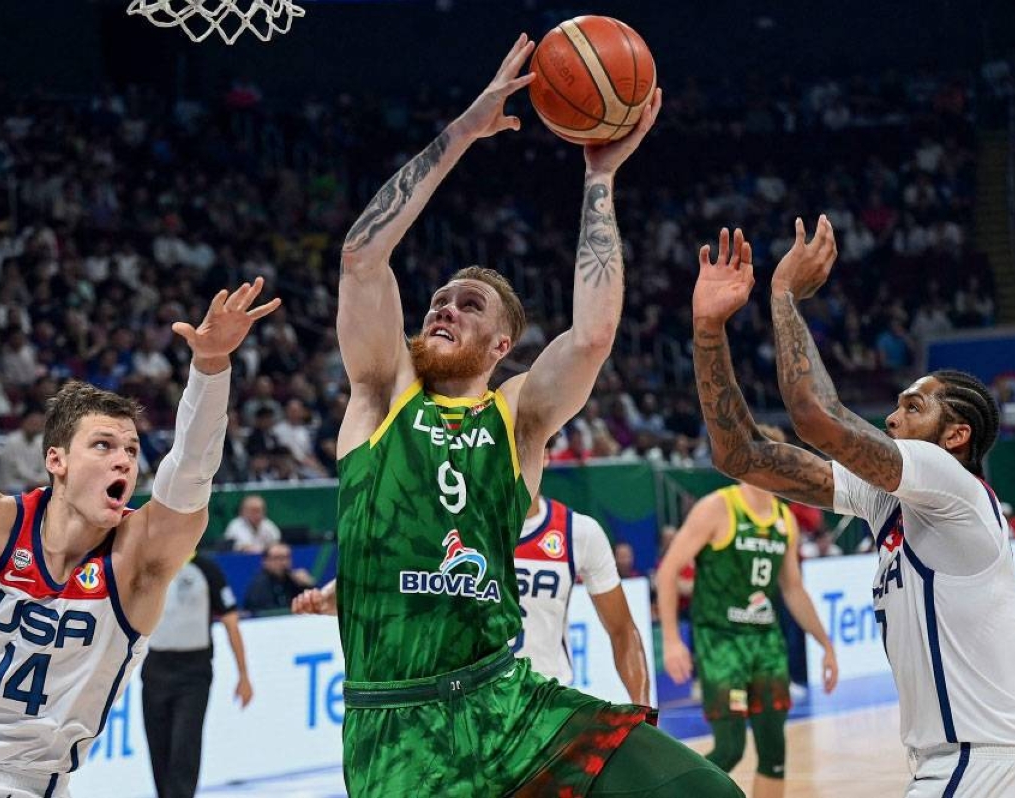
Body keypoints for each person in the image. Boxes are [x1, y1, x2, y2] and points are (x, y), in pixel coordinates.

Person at [294, 36, 737, 797]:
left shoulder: (519, 416)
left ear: (502, 344)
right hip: (397, 727)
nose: (444, 307)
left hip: (510, 702)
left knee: (704, 791)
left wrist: (600, 178)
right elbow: (363, 260)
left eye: (469, 305)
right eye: (439, 300)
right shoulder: (379, 396)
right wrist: (463, 131)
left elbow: (593, 336)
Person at [0, 280, 278, 797]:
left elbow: (192, 469)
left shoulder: (138, 556)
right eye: (103, 445)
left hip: (12, 782)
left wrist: (210, 368)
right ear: (56, 460)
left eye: (131, 450)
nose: (123, 460)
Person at [690, 218, 1015, 796]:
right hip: (957, 761)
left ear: (955, 436)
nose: (893, 419)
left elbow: (815, 414)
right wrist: (708, 332)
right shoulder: (888, 500)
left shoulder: (953, 486)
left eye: (912, 407)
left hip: (981, 761)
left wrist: (784, 296)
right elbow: (740, 455)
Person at [656, 428, 839, 798]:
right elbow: (668, 571)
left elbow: (792, 588)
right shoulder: (717, 507)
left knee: (774, 752)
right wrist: (673, 640)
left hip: (766, 643)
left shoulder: (783, 519)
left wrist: (825, 644)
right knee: (730, 749)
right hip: (721, 640)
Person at [513, 492, 650, 703]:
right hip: (482, 704)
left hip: (548, 701)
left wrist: (645, 711)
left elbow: (622, 628)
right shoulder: (464, 526)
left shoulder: (578, 531)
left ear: (546, 458)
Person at [143, 551, 253, 798]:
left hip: (193, 672)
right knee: (158, 748)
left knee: (185, 746)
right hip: (156, 669)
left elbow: (231, 622)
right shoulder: (152, 564)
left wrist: (243, 675)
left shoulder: (207, 569)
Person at [242, 542, 314, 613]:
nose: (283, 562)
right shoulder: (259, 585)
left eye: (286, 557)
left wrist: (307, 586)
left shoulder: (294, 580)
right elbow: (265, 612)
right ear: (265, 561)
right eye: (277, 558)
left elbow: (311, 605)